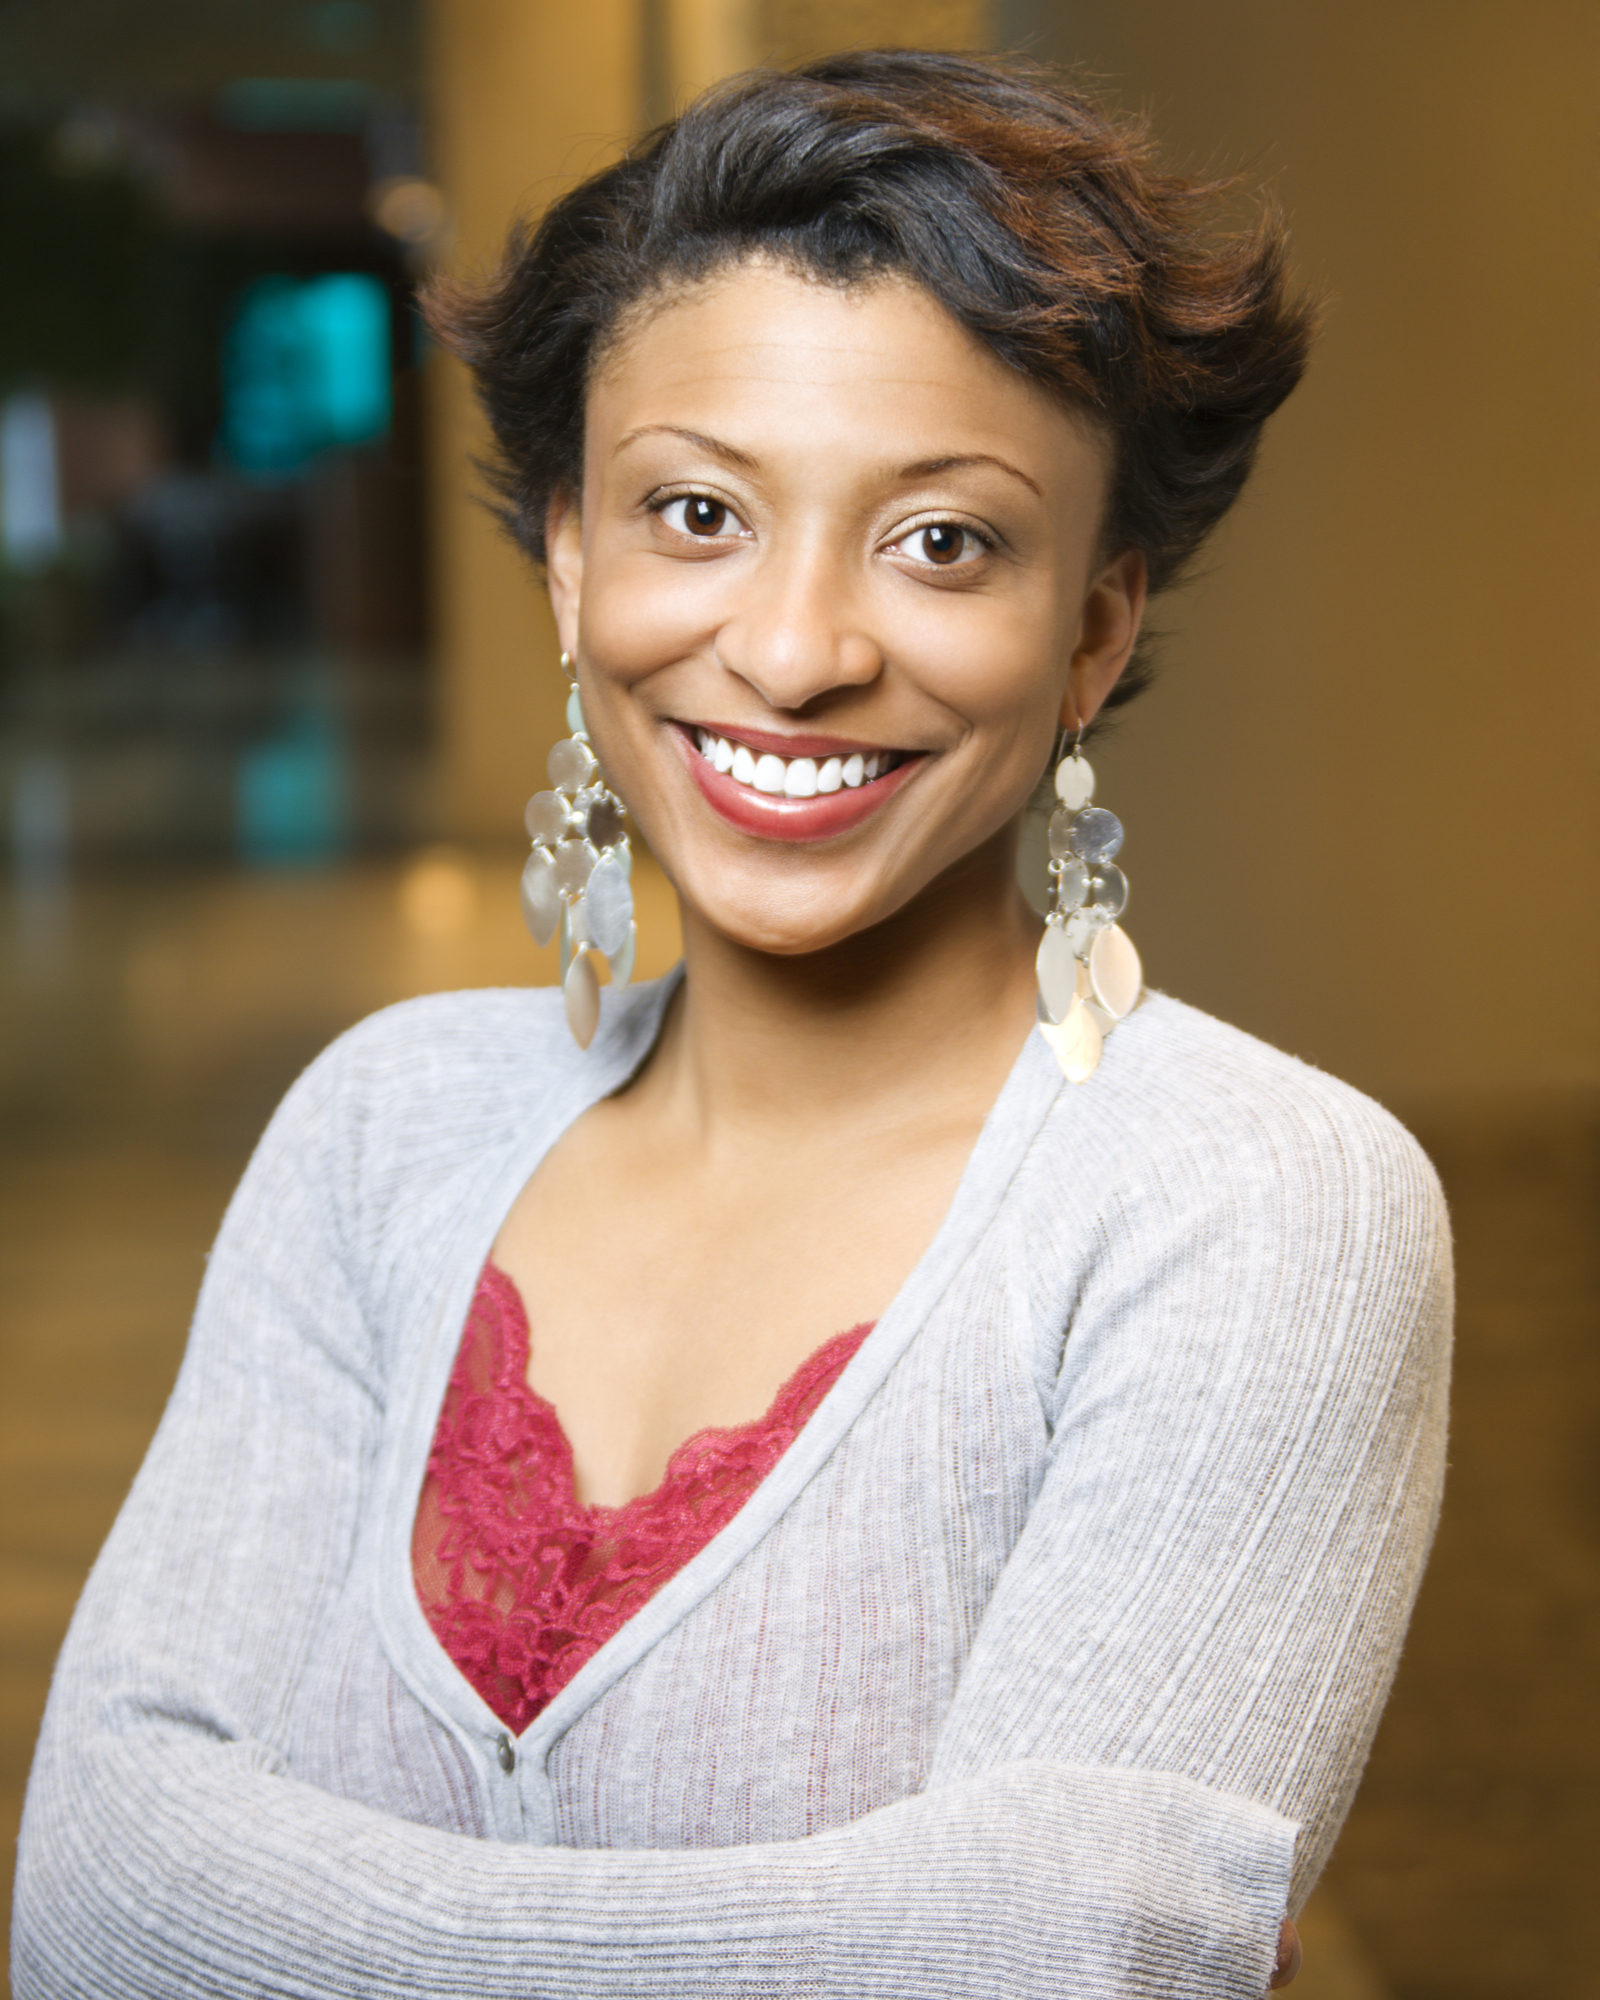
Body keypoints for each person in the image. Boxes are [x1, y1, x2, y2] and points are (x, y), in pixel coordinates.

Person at [13, 51, 1450, 2000]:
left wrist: (268, 1924)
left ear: (1092, 632)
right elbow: (90, 1890)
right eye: (693, 511)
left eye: (940, 539)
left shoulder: (1252, 1203)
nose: (788, 652)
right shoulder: (381, 1127)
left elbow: (1066, 1956)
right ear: (567, 560)